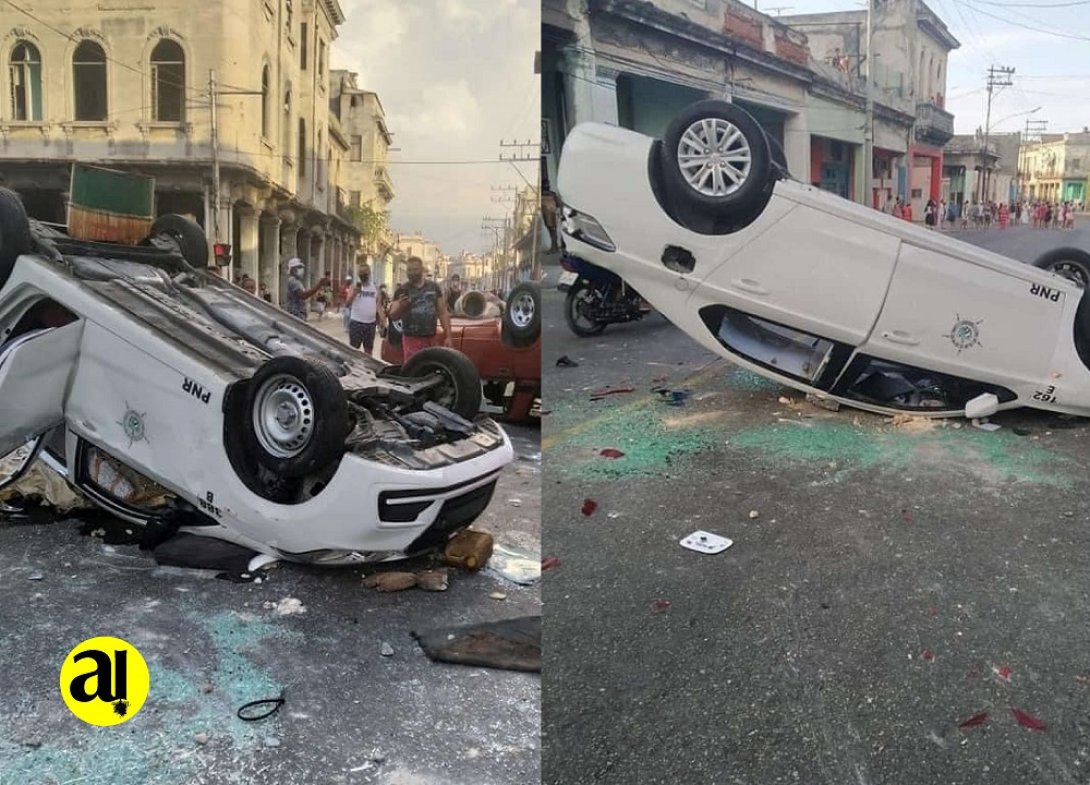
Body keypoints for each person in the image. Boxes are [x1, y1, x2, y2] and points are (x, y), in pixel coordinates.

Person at [388, 256, 452, 361]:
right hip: (411, 339)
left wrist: (448, 336)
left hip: (430, 339)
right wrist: (401, 306)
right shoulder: (402, 290)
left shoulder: (434, 287)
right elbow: (393, 315)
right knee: (413, 370)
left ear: (422, 270)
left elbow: (443, 313)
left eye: (415, 270)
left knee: (429, 369)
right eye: (409, 270)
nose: (412, 273)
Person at [345, 262, 381, 355]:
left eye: (365, 272)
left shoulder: (375, 288)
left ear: (369, 273)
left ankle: (367, 369)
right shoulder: (354, 287)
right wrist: (354, 293)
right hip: (356, 322)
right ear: (358, 274)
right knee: (353, 350)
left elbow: (378, 306)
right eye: (361, 273)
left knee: (368, 351)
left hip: (370, 324)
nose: (363, 275)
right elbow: (347, 304)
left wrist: (381, 322)